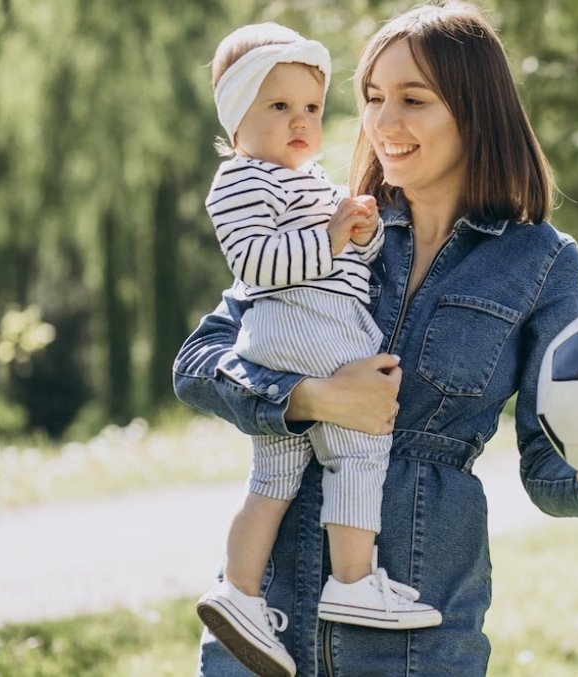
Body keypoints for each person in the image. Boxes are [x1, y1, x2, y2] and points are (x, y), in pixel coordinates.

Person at [174, 3, 578, 675]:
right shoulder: (327, 220)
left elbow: (547, 463)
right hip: (264, 629)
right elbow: (198, 364)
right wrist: (309, 398)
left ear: (475, 111)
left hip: (417, 639)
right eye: (373, 98)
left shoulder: (540, 263)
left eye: (413, 100)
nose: (384, 122)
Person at [193, 21, 441, 677]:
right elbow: (257, 262)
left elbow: (344, 260)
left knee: (273, 475)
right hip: (305, 325)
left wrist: (358, 235)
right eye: (279, 106)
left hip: (300, 327)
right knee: (360, 442)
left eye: (311, 106)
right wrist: (332, 236)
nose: (301, 121)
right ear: (236, 119)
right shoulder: (241, 179)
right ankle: (353, 580)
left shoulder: (307, 181)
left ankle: (240, 593)